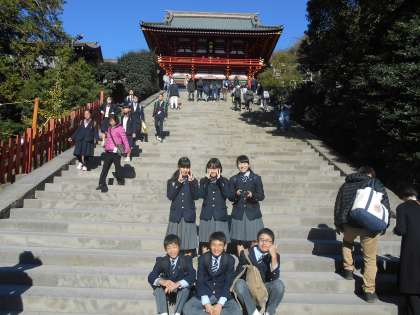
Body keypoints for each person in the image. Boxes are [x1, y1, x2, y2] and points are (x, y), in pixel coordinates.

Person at [334, 166, 391, 303]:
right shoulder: (375, 183)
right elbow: (385, 205)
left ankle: (348, 269)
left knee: (347, 243)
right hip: (369, 226)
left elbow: (338, 205)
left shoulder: (346, 184)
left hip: (349, 223)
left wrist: (338, 223)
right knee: (370, 258)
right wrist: (384, 225)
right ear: (371, 174)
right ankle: (369, 291)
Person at [183, 232, 242, 315]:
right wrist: (207, 304)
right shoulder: (203, 258)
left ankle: (213, 312)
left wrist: (219, 304)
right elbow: (200, 280)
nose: (216, 248)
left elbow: (228, 282)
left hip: (222, 294)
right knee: (187, 308)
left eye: (220, 245)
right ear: (209, 245)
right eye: (214, 245)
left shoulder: (230, 259)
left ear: (224, 246)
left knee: (237, 311)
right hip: (206, 293)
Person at [234, 228, 285, 315]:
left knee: (279, 285)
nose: (264, 243)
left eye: (268, 241)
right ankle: (253, 312)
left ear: (272, 243)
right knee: (239, 283)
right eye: (262, 240)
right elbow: (239, 274)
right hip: (250, 289)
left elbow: (274, 278)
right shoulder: (246, 253)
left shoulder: (275, 256)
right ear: (257, 241)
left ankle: (269, 312)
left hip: (265, 289)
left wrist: (273, 257)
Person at [148, 234, 196, 315]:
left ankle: (177, 312)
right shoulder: (162, 261)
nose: (172, 250)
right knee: (157, 288)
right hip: (167, 290)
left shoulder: (186, 259)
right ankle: (163, 313)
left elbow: (192, 274)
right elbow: (151, 275)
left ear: (179, 247)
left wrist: (177, 284)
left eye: (174, 247)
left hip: (180, 290)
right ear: (165, 249)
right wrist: (163, 282)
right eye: (169, 248)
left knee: (186, 287)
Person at [229, 155, 265, 253]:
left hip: (252, 212)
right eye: (240, 163)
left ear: (248, 164)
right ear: (237, 165)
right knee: (239, 240)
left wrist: (252, 195)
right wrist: (236, 194)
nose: (242, 165)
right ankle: (242, 261)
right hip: (238, 212)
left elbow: (261, 196)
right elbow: (230, 197)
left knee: (254, 238)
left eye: (244, 163)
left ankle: (253, 260)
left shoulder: (256, 178)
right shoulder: (234, 179)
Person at [394, 185, 420, 315]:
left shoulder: (402, 207)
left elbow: (401, 229)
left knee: (412, 286)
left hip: (411, 249)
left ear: (404, 197)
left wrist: (395, 229)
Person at [166, 157, 199, 255]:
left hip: (188, 216)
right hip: (176, 217)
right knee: (174, 244)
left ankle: (187, 264)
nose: (185, 170)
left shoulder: (193, 180)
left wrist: (192, 183)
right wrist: (178, 183)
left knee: (188, 245)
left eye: (187, 167)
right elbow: (170, 196)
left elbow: (196, 196)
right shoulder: (172, 181)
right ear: (179, 167)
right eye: (183, 167)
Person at [198, 158, 232, 253]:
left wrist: (219, 179)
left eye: (215, 168)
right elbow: (200, 195)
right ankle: (204, 262)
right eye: (210, 168)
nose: (212, 170)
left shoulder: (224, 180)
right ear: (207, 169)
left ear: (219, 169)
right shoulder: (203, 181)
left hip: (220, 215)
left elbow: (228, 195)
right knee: (205, 241)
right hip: (207, 216)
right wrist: (206, 180)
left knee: (222, 241)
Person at [96, 115, 130, 193]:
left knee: (118, 168)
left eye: (112, 120)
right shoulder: (109, 129)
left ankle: (120, 180)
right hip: (108, 152)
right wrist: (105, 145)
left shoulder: (120, 128)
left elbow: (124, 139)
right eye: (110, 120)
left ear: (116, 120)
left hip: (116, 152)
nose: (111, 122)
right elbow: (108, 140)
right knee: (105, 169)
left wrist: (127, 149)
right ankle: (101, 183)